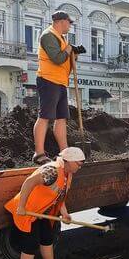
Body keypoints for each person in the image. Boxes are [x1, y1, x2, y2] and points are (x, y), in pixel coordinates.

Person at [4, 147, 85, 259]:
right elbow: (29, 183)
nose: (79, 167)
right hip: (28, 212)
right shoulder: (52, 171)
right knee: (31, 245)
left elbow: (60, 196)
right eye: (78, 164)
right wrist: (21, 206)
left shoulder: (67, 174)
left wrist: (64, 214)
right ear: (69, 161)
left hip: (41, 212)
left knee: (47, 238)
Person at [32, 10, 86, 165]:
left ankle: (64, 152)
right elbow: (57, 59)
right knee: (45, 116)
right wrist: (69, 49)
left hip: (60, 82)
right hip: (48, 80)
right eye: (69, 23)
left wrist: (73, 55)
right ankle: (39, 153)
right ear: (62, 21)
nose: (70, 26)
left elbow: (64, 61)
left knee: (61, 118)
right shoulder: (48, 35)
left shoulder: (61, 38)